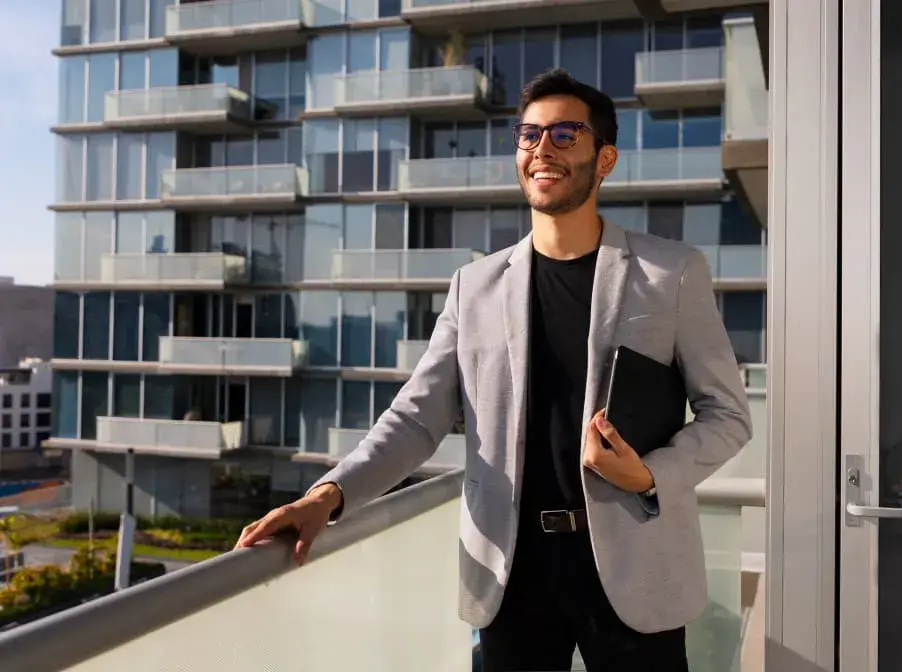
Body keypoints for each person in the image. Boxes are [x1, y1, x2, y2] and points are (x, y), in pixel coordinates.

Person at [235, 68, 753, 671]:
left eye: (565, 134)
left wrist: (649, 476)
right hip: (511, 575)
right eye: (529, 135)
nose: (542, 149)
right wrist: (328, 495)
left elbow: (728, 416)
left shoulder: (671, 274)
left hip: (638, 568)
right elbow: (415, 419)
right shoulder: (473, 286)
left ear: (604, 158)